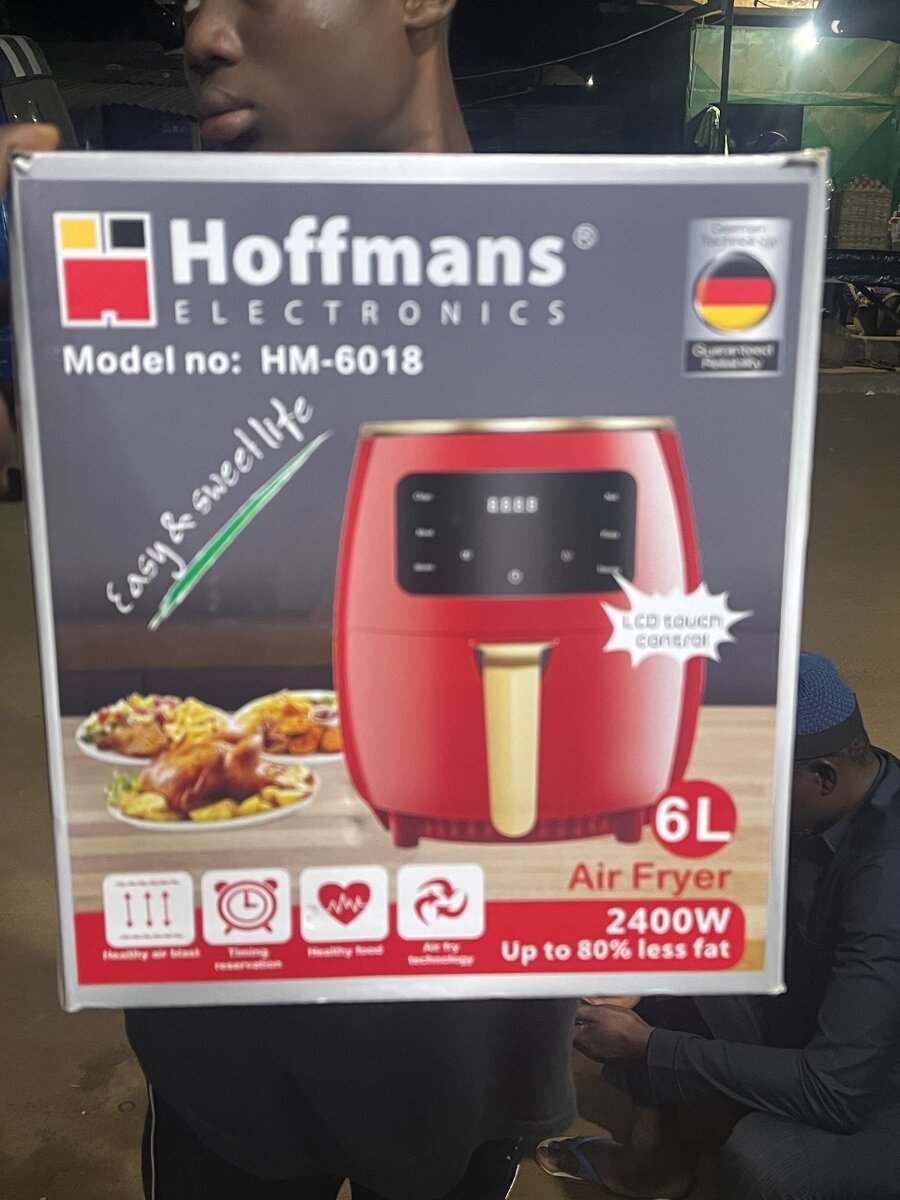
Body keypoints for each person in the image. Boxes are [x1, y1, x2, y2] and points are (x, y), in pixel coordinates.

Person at [120, 4, 577, 1200]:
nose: (202, 33)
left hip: (472, 1006)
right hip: (227, 1008)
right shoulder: (153, 296)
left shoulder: (596, 278)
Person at [537, 652, 900, 1200]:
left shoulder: (884, 883)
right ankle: (655, 1162)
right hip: (832, 1001)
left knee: (765, 1161)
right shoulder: (841, 791)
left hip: (871, 1085)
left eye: (755, 781)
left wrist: (651, 1046)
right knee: (668, 948)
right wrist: (654, 963)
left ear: (823, 776)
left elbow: (838, 1091)